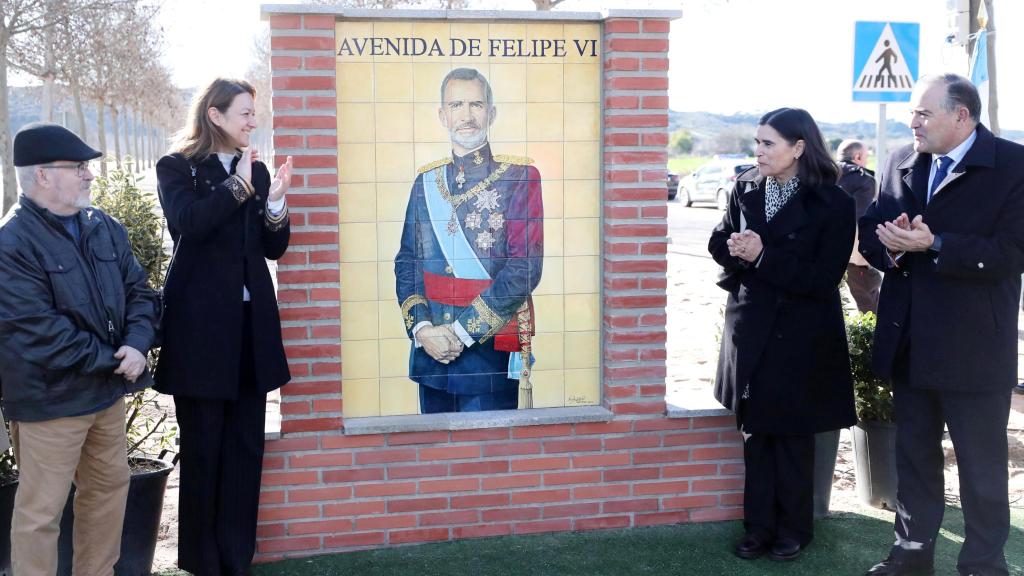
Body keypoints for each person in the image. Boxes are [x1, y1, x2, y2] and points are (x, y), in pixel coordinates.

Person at [858, 74, 1024, 576]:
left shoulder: (1014, 166)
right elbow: (871, 231)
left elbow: (1012, 253)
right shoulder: (900, 162)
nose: (914, 122)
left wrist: (937, 244)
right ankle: (909, 561)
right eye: (912, 112)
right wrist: (890, 243)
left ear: (962, 116)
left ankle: (982, 565)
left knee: (981, 469)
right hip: (910, 341)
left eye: (924, 113)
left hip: (975, 348)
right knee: (912, 460)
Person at [0, 122, 158, 576]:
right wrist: (117, 359)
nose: (90, 174)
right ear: (43, 175)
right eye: (79, 167)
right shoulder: (12, 242)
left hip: (105, 395)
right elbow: (37, 330)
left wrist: (137, 342)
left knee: (108, 490)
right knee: (40, 513)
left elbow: (141, 294)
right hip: (50, 401)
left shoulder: (102, 226)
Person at [155, 78, 293, 576]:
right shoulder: (177, 168)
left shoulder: (255, 169)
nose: (253, 121)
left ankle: (237, 559)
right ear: (215, 115)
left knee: (244, 449)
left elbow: (272, 249)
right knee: (204, 449)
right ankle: (201, 561)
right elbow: (189, 223)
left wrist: (274, 201)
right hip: (198, 336)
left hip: (249, 332)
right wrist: (239, 186)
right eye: (244, 113)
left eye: (254, 113)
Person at [708, 108, 857, 562]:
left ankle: (794, 530)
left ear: (798, 148)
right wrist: (734, 248)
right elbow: (719, 241)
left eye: (768, 143)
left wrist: (762, 257)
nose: (759, 151)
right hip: (751, 327)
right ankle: (758, 528)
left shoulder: (834, 202)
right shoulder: (744, 186)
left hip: (802, 336)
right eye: (757, 142)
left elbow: (823, 277)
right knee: (756, 434)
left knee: (793, 435)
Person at [394, 67, 544, 414]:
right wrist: (423, 328)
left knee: (487, 461)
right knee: (435, 462)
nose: (466, 115)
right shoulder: (425, 182)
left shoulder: (520, 177)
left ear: (491, 113)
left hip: (486, 356)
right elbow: (408, 261)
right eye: (456, 105)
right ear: (442, 115)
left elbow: (525, 267)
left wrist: (461, 333)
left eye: (476, 105)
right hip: (430, 355)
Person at [837, 139, 881, 312]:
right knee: (870, 299)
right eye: (866, 156)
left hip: (820, 248)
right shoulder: (863, 179)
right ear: (857, 157)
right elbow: (860, 219)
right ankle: (873, 337)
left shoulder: (823, 174)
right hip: (853, 254)